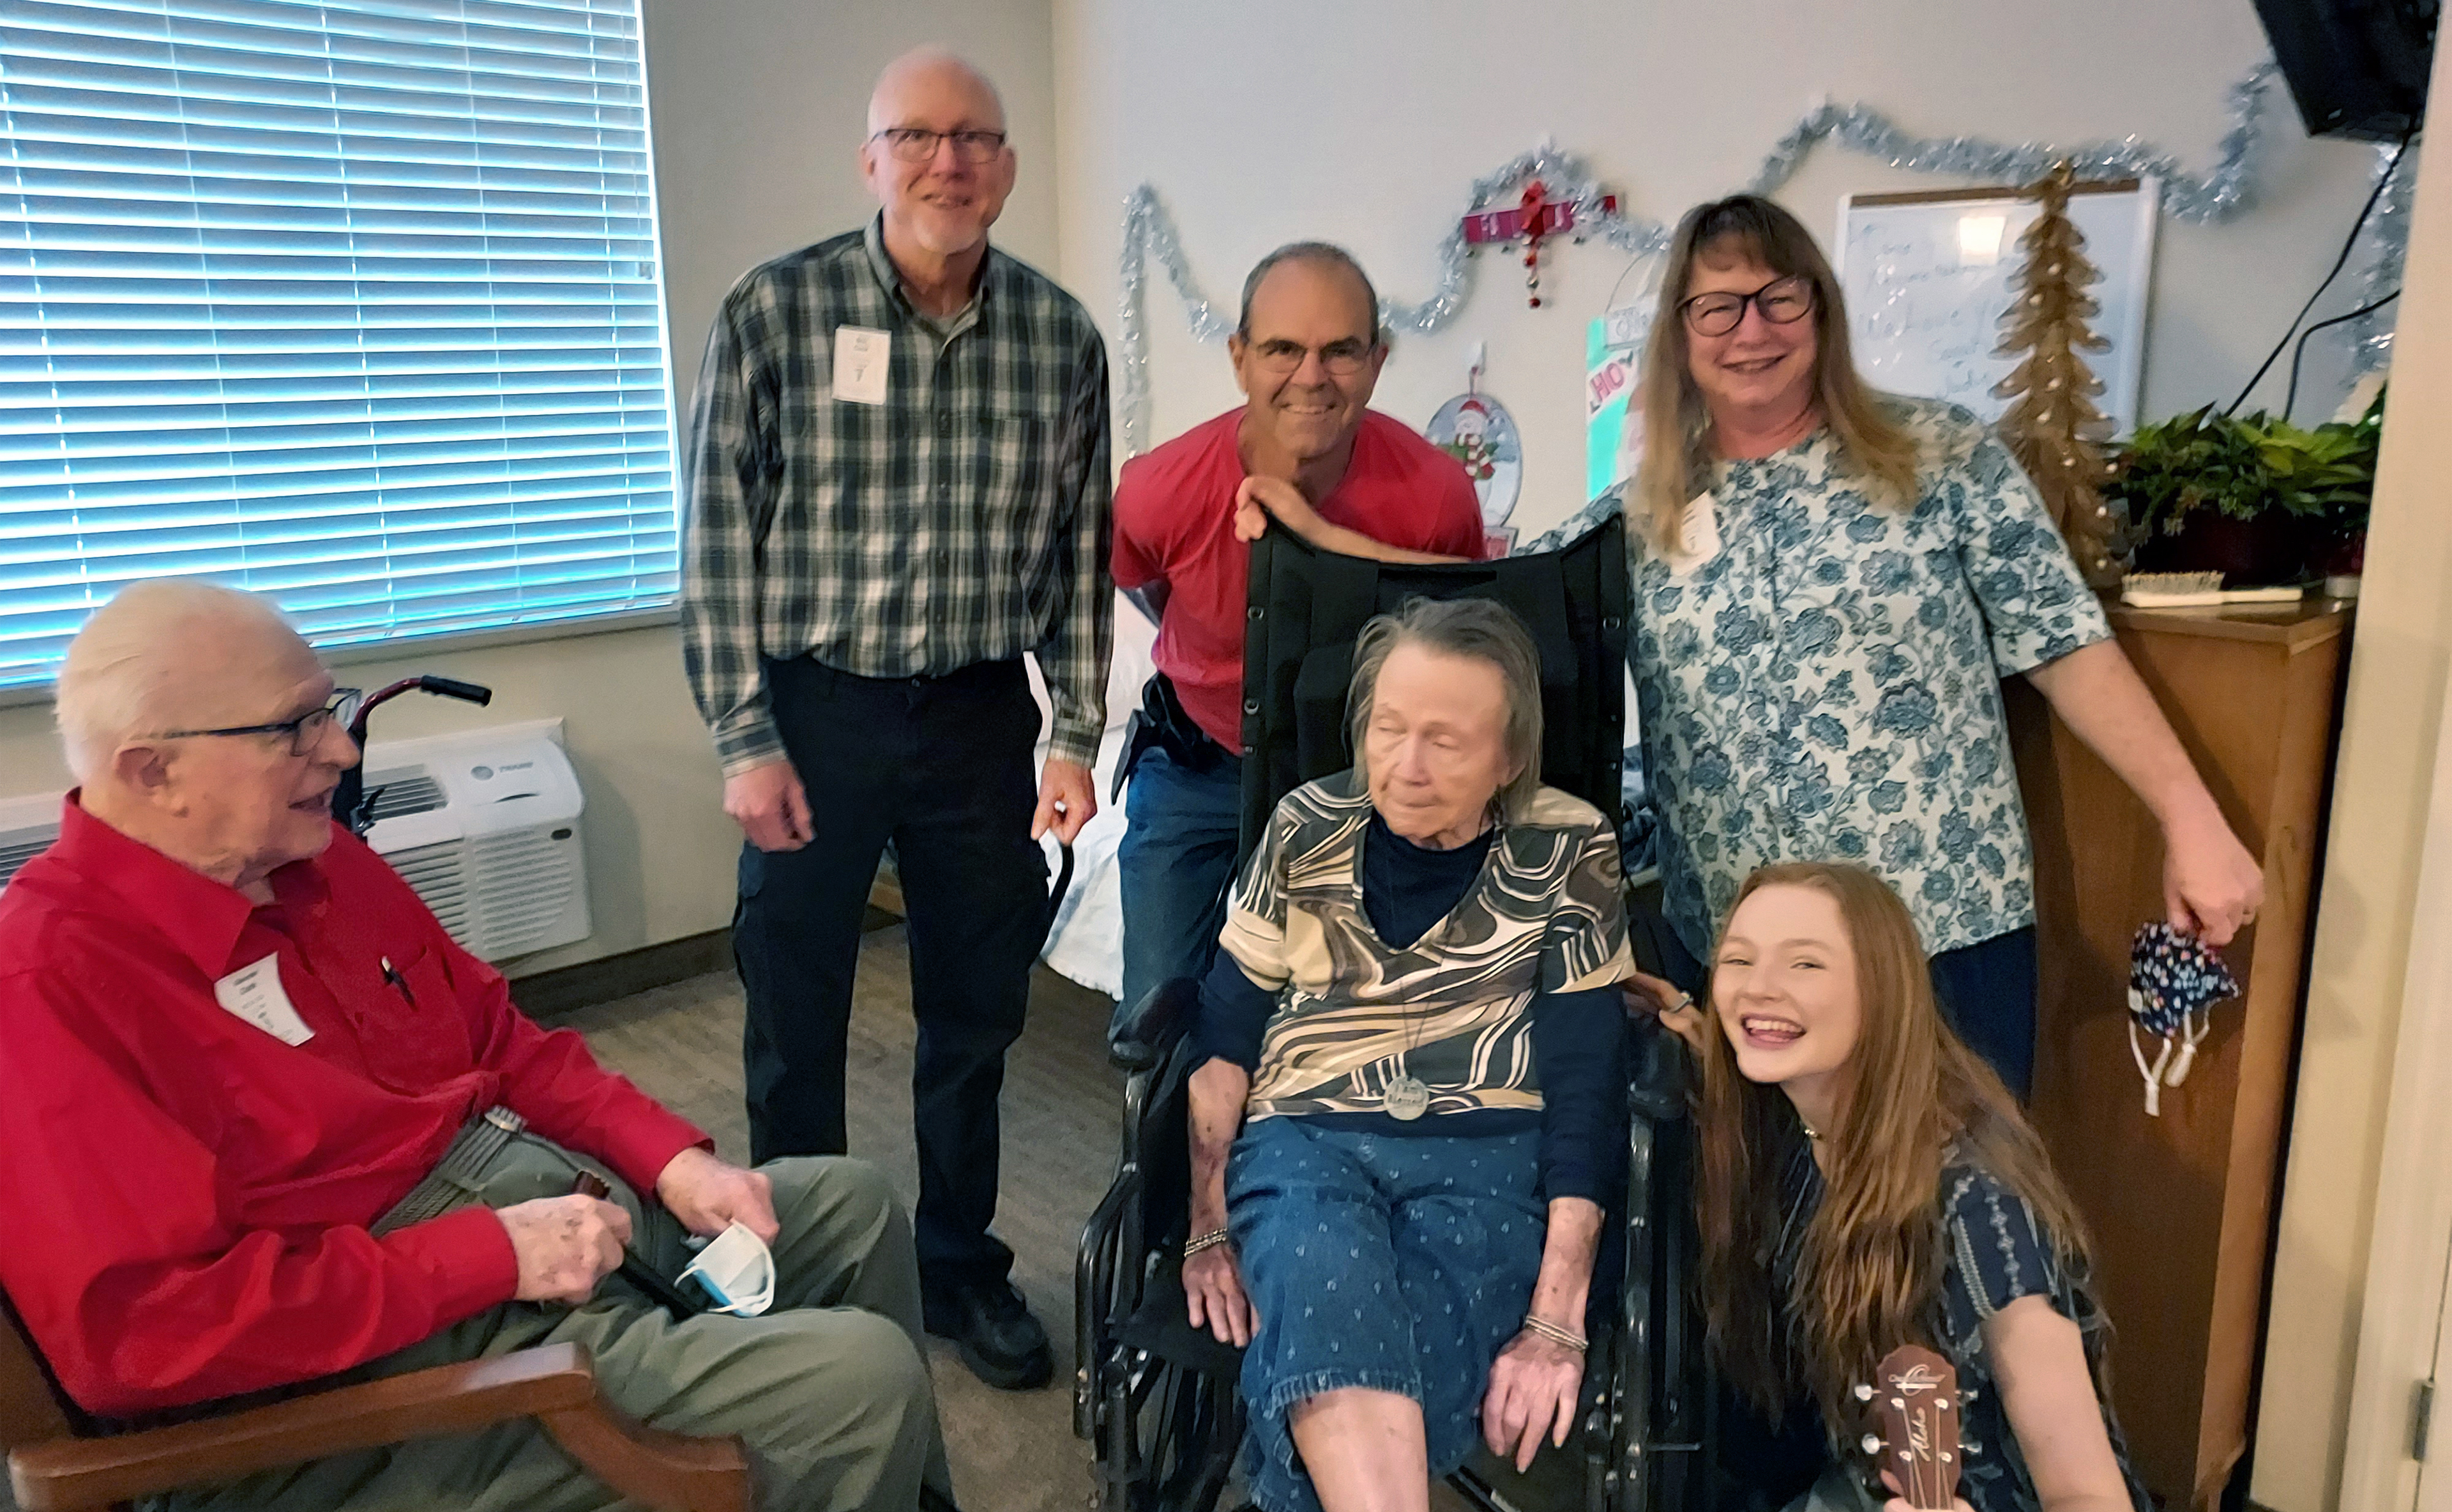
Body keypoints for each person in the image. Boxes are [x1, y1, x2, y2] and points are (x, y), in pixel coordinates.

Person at [0, 581, 1027, 1512]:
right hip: (351, 1427)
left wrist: (671, 1160)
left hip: (524, 1241)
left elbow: (501, 1043)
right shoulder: (49, 984)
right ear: (151, 770)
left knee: (848, 1210)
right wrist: (487, 1256)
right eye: (293, 727)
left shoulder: (314, 863)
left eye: (329, 709)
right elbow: (145, 1339)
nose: (342, 751)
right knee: (854, 1386)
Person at [1255, 195, 2265, 1096]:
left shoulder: (1943, 457)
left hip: (1939, 933)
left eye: (1780, 299)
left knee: (1954, 1238)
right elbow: (1480, 605)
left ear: (1821, 311)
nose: (1752, 331)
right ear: (1682, 336)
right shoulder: (1636, 522)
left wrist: (2191, 819)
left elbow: (2065, 642)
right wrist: (1320, 538)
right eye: (1718, 307)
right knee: (1757, 1250)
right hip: (1744, 955)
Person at [679, 48, 1111, 1389]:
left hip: (981, 712)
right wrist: (745, 737)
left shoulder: (1059, 336)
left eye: (975, 138)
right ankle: (805, 1269)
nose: (949, 161)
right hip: (817, 709)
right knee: (794, 1005)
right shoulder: (777, 309)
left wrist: (1075, 733)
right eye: (916, 136)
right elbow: (715, 547)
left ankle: (958, 1262)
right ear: (871, 160)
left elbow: (1080, 555)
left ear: (1008, 166)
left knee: (974, 1007)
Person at [1179, 597, 1633, 1512]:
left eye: (1446, 737)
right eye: (1389, 726)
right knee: (1324, 1281)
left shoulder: (1570, 850)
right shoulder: (1304, 827)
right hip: (1304, 1143)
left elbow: (1586, 1080)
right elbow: (1222, 1040)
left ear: (1510, 753)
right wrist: (1207, 1222)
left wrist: (1556, 1315)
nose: (1407, 762)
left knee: (1330, 1376)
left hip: (1487, 1160)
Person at [1637, 861, 2183, 1512]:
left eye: (1805, 962)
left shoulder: (1976, 1202)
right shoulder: (1788, 1132)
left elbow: (2099, 1511)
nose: (1760, 986)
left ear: (1882, 992)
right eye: (1739, 959)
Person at [1109, 241, 1487, 1032]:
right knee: (1156, 1018)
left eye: (1340, 351)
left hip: (1360, 780)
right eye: (1283, 348)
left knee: (1355, 1023)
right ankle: (1162, 1156)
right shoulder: (1158, 489)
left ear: (1377, 362)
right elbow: (1142, 584)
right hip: (1195, 767)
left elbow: (1471, 638)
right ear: (1241, 358)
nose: (1311, 376)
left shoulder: (1436, 494)